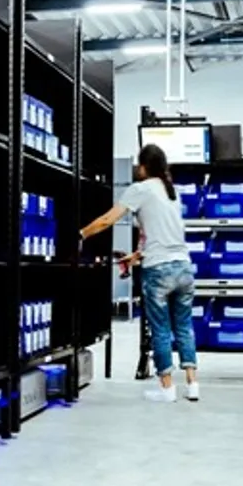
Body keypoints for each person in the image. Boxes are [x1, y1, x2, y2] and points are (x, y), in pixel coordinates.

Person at [80, 144, 198, 403]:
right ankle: (192, 385)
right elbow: (163, 234)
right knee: (184, 327)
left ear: (144, 166)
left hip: (159, 271)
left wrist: (80, 234)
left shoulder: (140, 189)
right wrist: (135, 256)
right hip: (184, 267)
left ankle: (167, 389)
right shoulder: (172, 192)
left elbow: (107, 220)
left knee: (161, 329)